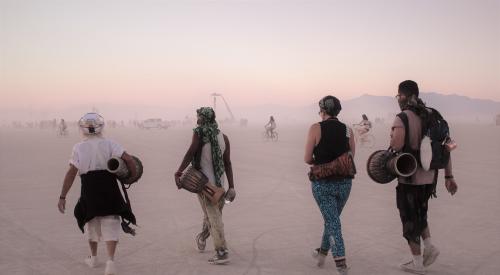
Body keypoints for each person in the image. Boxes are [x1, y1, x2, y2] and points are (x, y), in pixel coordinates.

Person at [57, 112, 137, 275]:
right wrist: (133, 176)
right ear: (101, 127)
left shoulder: (78, 147)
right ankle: (110, 263)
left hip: (89, 187)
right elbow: (129, 159)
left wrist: (62, 196)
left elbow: (72, 172)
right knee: (111, 221)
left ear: (83, 129)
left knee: (91, 221)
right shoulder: (110, 143)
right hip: (109, 184)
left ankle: (93, 258)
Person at [390, 80, 458, 274]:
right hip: (430, 179)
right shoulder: (434, 115)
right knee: (420, 213)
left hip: (409, 178)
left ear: (405, 96)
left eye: (398, 96)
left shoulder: (402, 117)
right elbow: (448, 147)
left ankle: (418, 264)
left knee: (409, 221)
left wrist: (393, 135)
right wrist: (449, 176)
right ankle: (429, 246)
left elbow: (395, 146)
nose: (398, 100)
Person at [174, 107, 236, 265]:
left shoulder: (199, 133)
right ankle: (202, 237)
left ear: (204, 118)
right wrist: (231, 186)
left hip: (204, 185)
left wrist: (179, 172)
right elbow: (227, 163)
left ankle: (221, 252)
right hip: (220, 186)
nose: (197, 119)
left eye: (199, 116)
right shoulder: (224, 137)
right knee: (212, 215)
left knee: (214, 217)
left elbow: (190, 153)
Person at [304, 95, 355, 274]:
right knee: (332, 220)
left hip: (323, 184)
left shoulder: (315, 128)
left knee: (332, 222)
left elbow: (307, 158)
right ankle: (322, 254)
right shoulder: (348, 130)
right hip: (345, 184)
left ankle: (341, 264)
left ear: (323, 110)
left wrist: (322, 162)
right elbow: (350, 157)